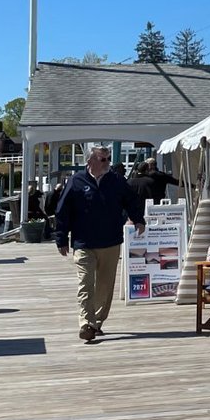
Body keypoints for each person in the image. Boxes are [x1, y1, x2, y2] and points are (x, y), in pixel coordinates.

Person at [56, 145, 146, 343]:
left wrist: (138, 219)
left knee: (104, 287)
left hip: (110, 242)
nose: (107, 163)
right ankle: (85, 324)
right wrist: (61, 239)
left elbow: (131, 201)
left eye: (108, 159)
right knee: (85, 284)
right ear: (90, 161)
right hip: (83, 243)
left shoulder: (116, 181)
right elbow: (63, 211)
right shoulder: (76, 181)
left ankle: (96, 322)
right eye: (103, 159)